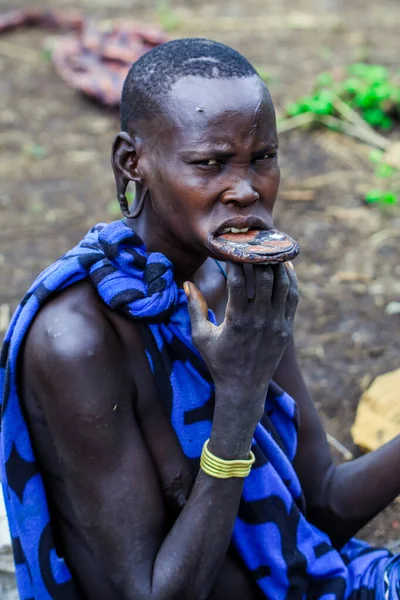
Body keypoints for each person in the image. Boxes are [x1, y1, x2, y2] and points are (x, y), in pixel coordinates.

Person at [1, 38, 399, 600]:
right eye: (209, 163)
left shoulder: (245, 284)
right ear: (130, 161)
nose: (246, 189)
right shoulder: (77, 341)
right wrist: (237, 400)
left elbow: (322, 506)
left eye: (263, 158)